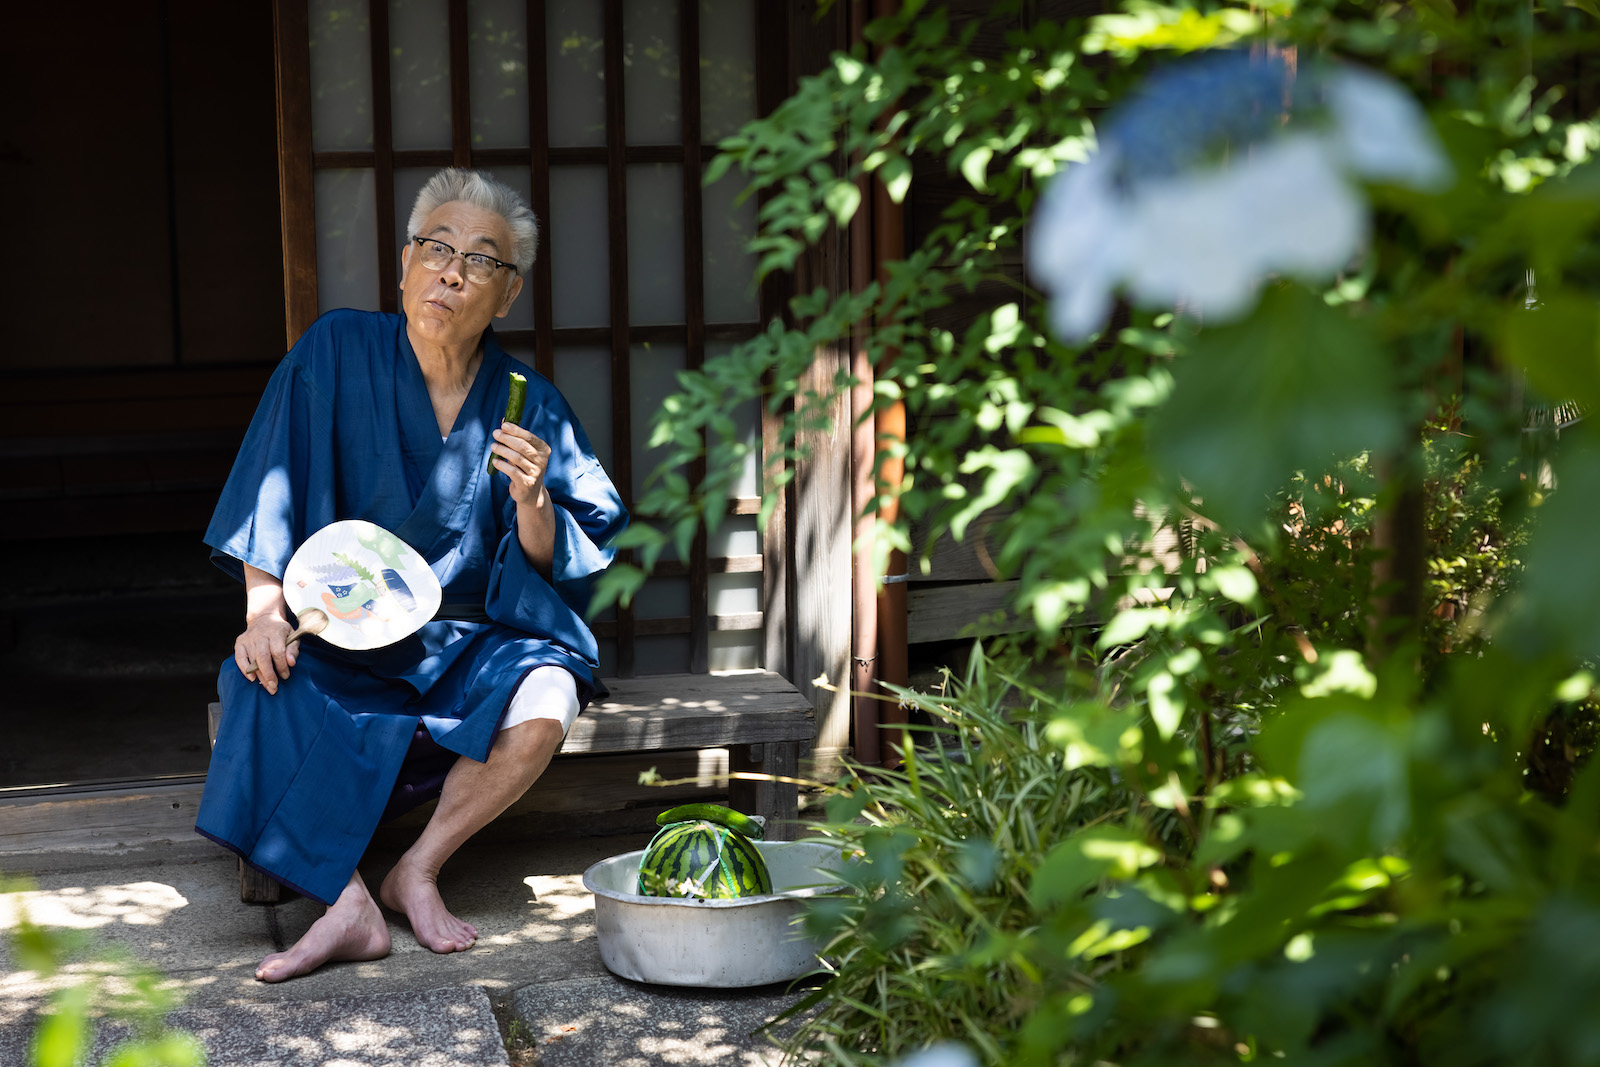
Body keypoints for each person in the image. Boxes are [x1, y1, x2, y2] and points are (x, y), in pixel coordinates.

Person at [197, 168, 626, 983]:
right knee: (258, 676)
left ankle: (418, 867)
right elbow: (270, 484)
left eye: (481, 261)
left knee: (550, 692)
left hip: (466, 640)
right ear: (404, 265)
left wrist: (532, 496)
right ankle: (346, 899)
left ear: (507, 295)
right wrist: (261, 609)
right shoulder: (334, 350)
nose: (453, 271)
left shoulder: (526, 399)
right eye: (437, 248)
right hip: (342, 627)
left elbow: (562, 556)